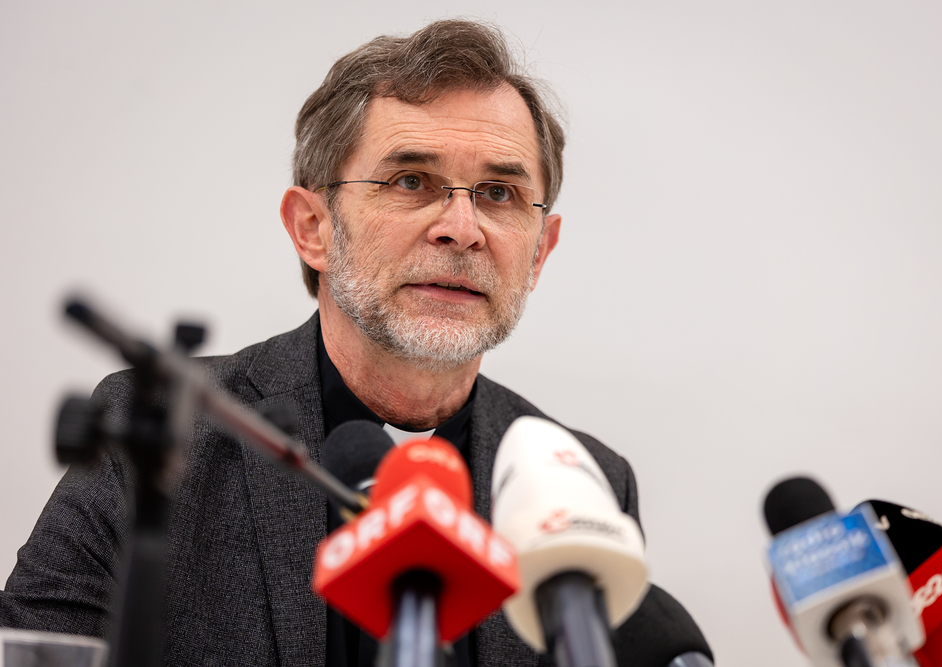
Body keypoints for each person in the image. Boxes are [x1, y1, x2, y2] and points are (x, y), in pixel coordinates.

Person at [0, 19, 710, 667]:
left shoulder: (586, 484)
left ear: (540, 252)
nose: (462, 229)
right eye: (412, 181)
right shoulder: (160, 431)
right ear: (312, 228)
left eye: (498, 194)